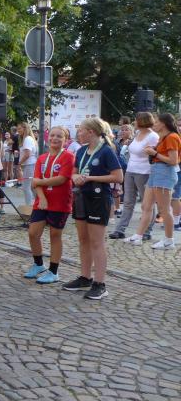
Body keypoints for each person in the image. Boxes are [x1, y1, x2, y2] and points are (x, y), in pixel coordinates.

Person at [62, 118, 123, 300]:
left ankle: (100, 284)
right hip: (81, 197)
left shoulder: (106, 151)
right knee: (83, 240)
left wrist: (90, 178)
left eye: (81, 130)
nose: (78, 133)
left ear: (91, 132)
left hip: (99, 198)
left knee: (97, 242)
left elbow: (118, 176)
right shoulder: (81, 150)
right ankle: (85, 278)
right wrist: (75, 177)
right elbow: (74, 172)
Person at [24, 127, 75, 284]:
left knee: (55, 235)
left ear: (65, 140)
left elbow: (61, 179)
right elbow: (35, 182)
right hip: (42, 201)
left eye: (59, 136)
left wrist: (40, 182)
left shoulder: (68, 156)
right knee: (33, 233)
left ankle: (53, 271)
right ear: (48, 138)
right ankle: (39, 264)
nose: (55, 138)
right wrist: (41, 197)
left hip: (60, 202)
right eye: (52, 135)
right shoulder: (42, 158)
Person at [123, 113, 180, 249]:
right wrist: (154, 151)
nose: (154, 124)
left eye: (157, 122)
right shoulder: (163, 137)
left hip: (164, 173)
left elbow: (173, 161)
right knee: (146, 206)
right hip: (156, 171)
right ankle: (138, 236)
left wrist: (154, 153)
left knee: (164, 209)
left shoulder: (172, 137)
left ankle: (169, 240)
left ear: (163, 124)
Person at [109, 112, 158, 239]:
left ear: (142, 121)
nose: (134, 122)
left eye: (136, 120)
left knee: (147, 203)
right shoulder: (137, 133)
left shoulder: (153, 136)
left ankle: (147, 231)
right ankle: (120, 230)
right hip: (131, 170)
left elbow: (154, 154)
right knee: (128, 202)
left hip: (145, 172)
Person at [17, 123, 38, 207]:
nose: (18, 131)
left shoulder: (27, 139)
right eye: (17, 129)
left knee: (26, 187)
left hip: (30, 164)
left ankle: (29, 207)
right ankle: (37, 204)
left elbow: (27, 154)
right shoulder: (28, 139)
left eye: (20, 128)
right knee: (32, 187)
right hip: (30, 164)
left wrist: (19, 163)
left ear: (25, 129)